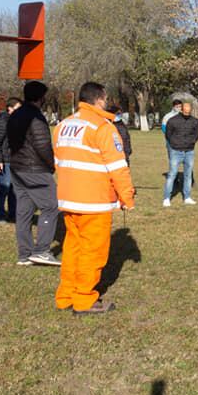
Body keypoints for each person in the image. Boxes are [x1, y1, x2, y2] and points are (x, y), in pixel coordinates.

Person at [53, 81, 135, 315]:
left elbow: (57, 162)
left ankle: (66, 294)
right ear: (99, 99)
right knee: (92, 251)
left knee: (73, 249)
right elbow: (118, 167)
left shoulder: (63, 125)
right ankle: (84, 300)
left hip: (68, 199)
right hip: (94, 201)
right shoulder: (103, 127)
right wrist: (127, 197)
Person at [6, 81, 61, 266]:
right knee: (51, 206)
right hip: (35, 169)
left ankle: (25, 254)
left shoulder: (15, 114)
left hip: (17, 168)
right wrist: (52, 164)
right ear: (41, 97)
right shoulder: (36, 117)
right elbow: (42, 145)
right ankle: (42, 251)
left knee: (24, 211)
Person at [0, 97, 21, 224]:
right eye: (18, 108)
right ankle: (0, 216)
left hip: (16, 160)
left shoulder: (18, 121)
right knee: (4, 188)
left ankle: (13, 214)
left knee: (15, 189)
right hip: (5, 160)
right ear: (10, 108)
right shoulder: (2, 122)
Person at [163, 101, 198, 207]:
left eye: (189, 112)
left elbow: (196, 135)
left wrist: (191, 143)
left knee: (188, 175)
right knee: (172, 174)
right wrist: (175, 144)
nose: (187, 113)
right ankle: (166, 198)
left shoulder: (195, 121)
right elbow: (168, 135)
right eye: (185, 111)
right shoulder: (172, 121)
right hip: (176, 151)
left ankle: (187, 197)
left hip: (189, 151)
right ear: (182, 109)